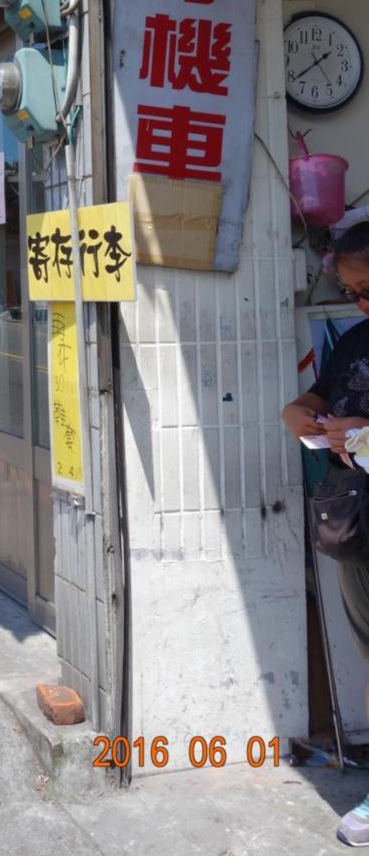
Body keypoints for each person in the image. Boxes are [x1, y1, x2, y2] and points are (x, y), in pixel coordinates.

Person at [282, 220, 369, 847]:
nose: (358, 301)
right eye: (350, 289)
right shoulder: (355, 338)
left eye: (367, 287)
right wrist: (302, 412)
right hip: (357, 523)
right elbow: (317, 399)